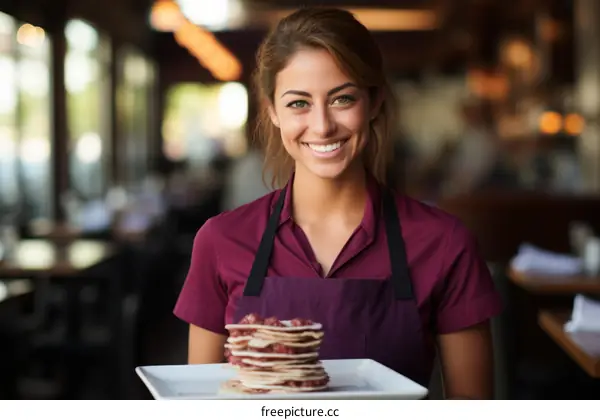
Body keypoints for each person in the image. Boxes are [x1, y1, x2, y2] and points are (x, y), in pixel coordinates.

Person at [173, 7, 503, 399]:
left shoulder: (445, 243)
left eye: (342, 98)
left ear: (375, 101)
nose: (323, 125)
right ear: (272, 111)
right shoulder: (221, 240)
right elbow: (202, 405)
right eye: (299, 103)